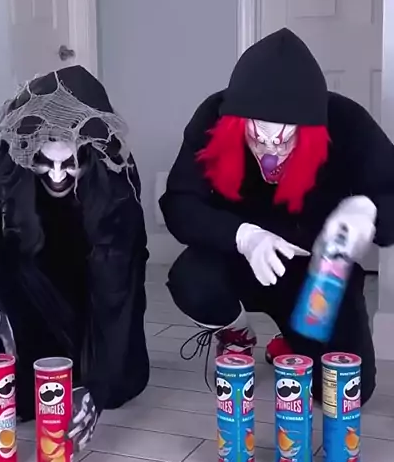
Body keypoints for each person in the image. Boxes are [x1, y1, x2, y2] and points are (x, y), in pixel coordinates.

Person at [160, 28, 394, 403]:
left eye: (285, 140)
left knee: (344, 392)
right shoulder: (212, 117)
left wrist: (369, 210)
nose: (272, 151)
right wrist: (244, 236)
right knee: (192, 279)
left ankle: (292, 339)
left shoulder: (347, 121)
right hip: (241, 259)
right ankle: (236, 333)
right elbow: (179, 204)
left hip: (318, 276)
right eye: (258, 137)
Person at [0, 65, 149, 448]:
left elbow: (117, 283)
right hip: (28, 278)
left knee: (117, 385)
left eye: (70, 164)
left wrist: (98, 386)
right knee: (14, 392)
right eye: (44, 163)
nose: (56, 177)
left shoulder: (115, 171)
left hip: (91, 287)